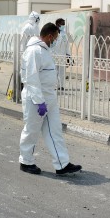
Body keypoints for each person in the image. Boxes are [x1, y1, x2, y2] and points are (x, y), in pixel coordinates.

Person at [19, 22, 82, 175]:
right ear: (49, 36)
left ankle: (62, 164)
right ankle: (26, 161)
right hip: (36, 99)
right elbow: (32, 78)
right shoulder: (34, 51)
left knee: (55, 131)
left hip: (50, 98)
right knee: (31, 130)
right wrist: (40, 102)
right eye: (54, 38)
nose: (55, 41)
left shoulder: (44, 50)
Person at [53, 18, 70, 90]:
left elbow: (67, 45)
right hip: (54, 55)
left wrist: (68, 55)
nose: (63, 25)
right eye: (62, 24)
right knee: (54, 71)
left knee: (62, 72)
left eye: (64, 24)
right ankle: (55, 85)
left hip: (62, 55)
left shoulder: (64, 34)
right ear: (58, 24)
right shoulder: (53, 33)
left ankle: (61, 86)